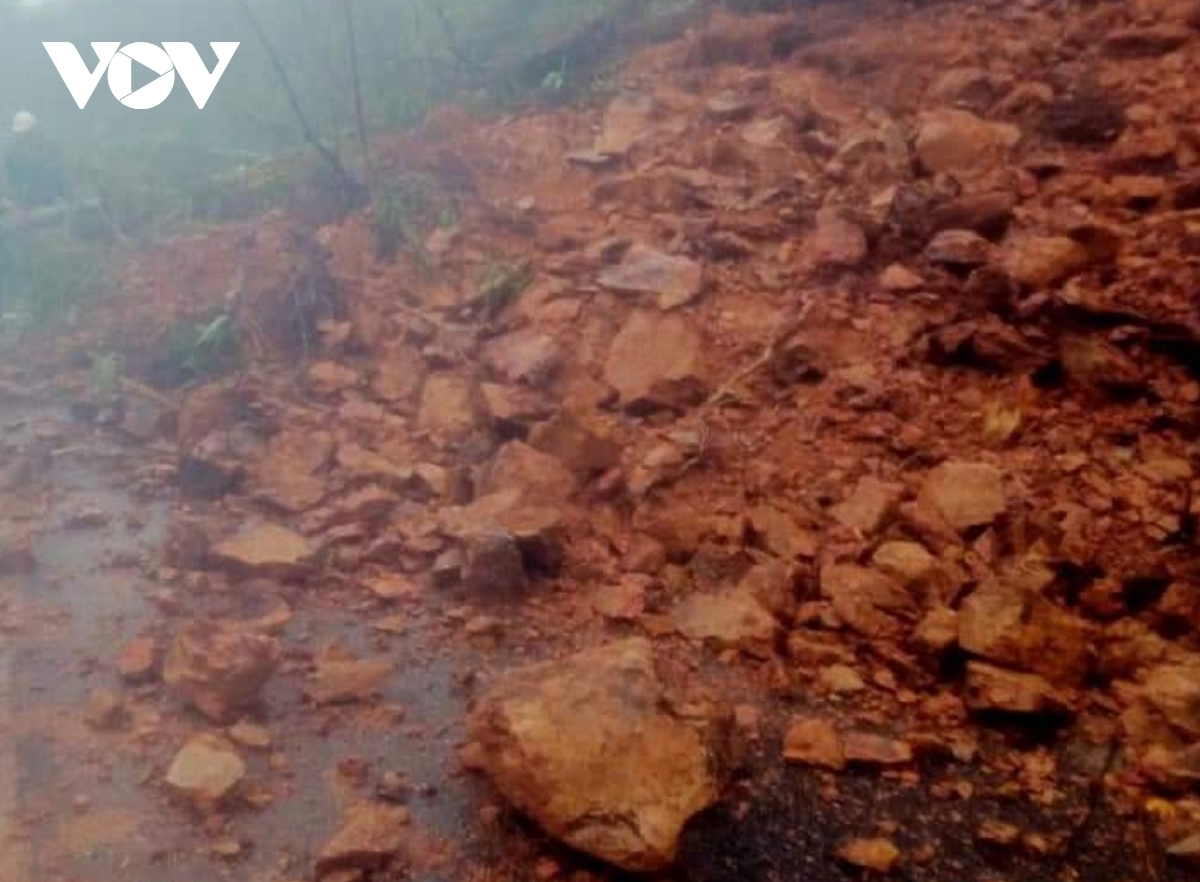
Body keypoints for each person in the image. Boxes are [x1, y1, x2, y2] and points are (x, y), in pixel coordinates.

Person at [3, 111, 68, 208]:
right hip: (26, 206)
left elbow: (59, 176)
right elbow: (11, 180)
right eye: (21, 135)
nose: (23, 137)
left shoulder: (48, 150)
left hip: (50, 203)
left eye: (26, 134)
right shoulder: (13, 156)